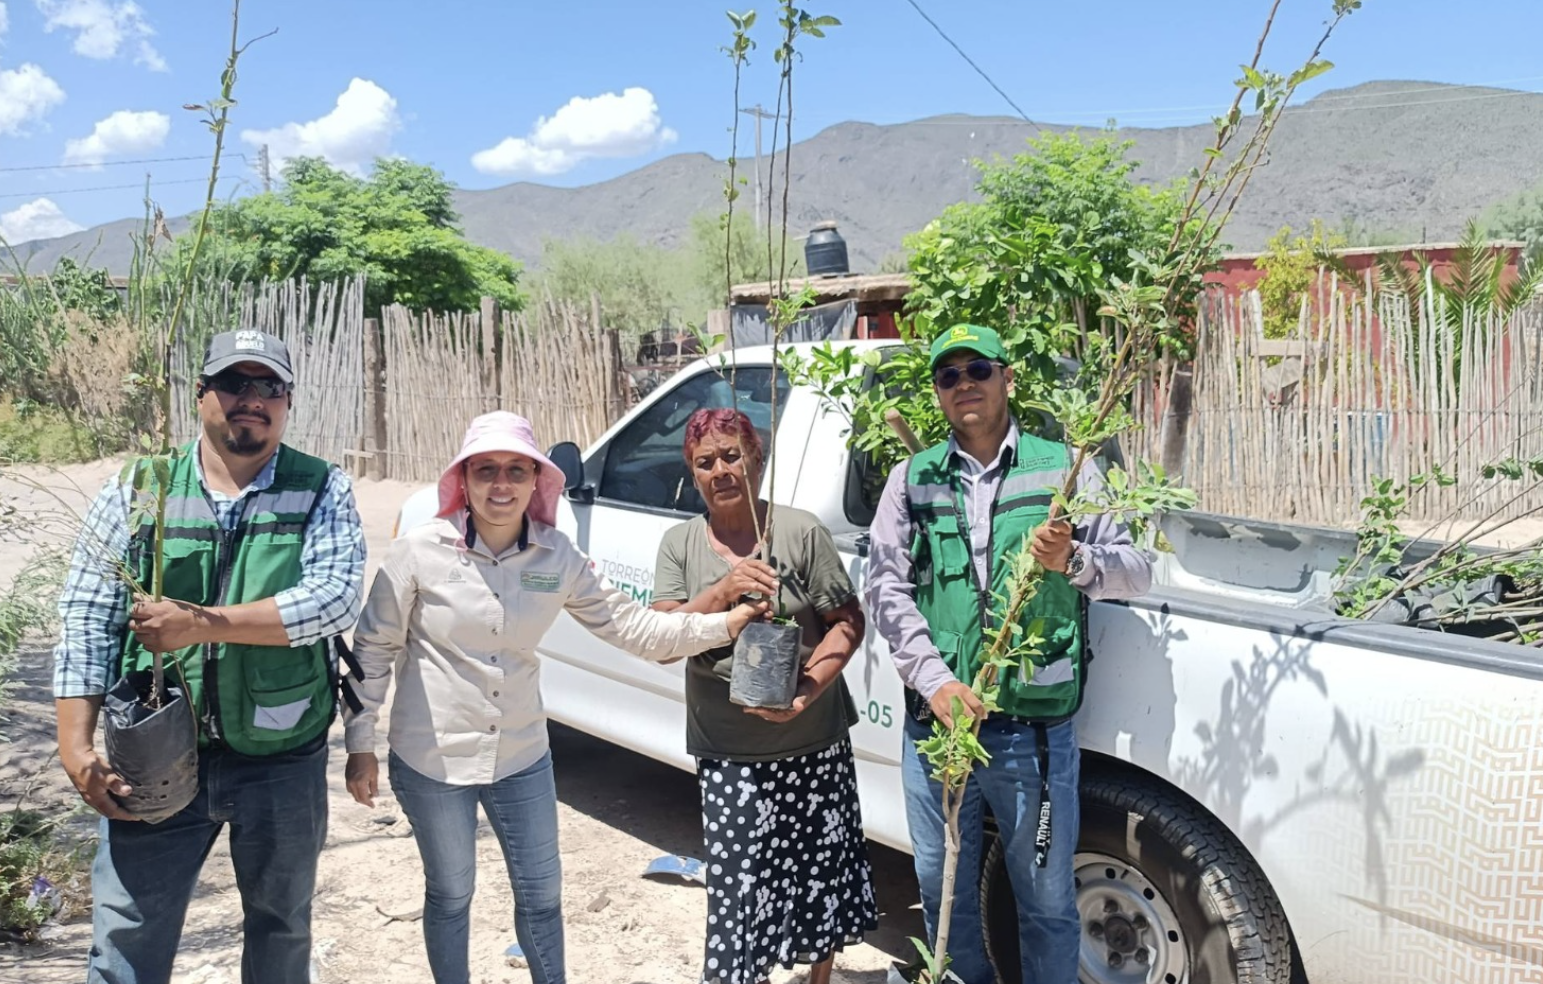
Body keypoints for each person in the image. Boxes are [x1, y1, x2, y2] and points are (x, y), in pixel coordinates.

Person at [342, 411, 767, 984]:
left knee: (542, 898)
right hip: (432, 758)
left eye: (516, 470)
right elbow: (372, 650)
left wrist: (727, 624)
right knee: (450, 893)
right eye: (486, 469)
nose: (501, 484)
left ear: (536, 481)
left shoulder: (556, 557)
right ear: (463, 479)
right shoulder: (420, 552)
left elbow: (636, 630)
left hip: (521, 756)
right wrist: (360, 744)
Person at [52, 328, 367, 984]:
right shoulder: (143, 488)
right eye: (233, 383)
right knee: (126, 938)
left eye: (268, 386)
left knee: (282, 930)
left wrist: (201, 624)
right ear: (200, 396)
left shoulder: (320, 489)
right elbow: (87, 614)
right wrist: (76, 749)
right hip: (156, 755)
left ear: (287, 402)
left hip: (282, 759)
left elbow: (334, 601)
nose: (251, 399)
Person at [866, 323, 1152, 984]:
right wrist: (935, 682)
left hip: (1034, 735)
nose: (964, 384)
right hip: (938, 729)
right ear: (937, 392)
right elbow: (884, 585)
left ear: (1007, 378)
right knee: (943, 894)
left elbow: (1137, 568)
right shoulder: (913, 479)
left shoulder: (1065, 466)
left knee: (1048, 902)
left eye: (978, 370)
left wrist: (1076, 560)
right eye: (949, 375)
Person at [651, 408, 878, 984]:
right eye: (706, 463)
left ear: (757, 459)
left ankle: (819, 979)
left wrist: (806, 688)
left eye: (733, 455)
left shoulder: (799, 532)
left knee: (819, 877)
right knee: (738, 890)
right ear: (692, 473)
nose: (722, 470)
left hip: (814, 740)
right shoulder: (680, 546)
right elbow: (662, 639)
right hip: (729, 749)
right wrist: (724, 589)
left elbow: (846, 621)